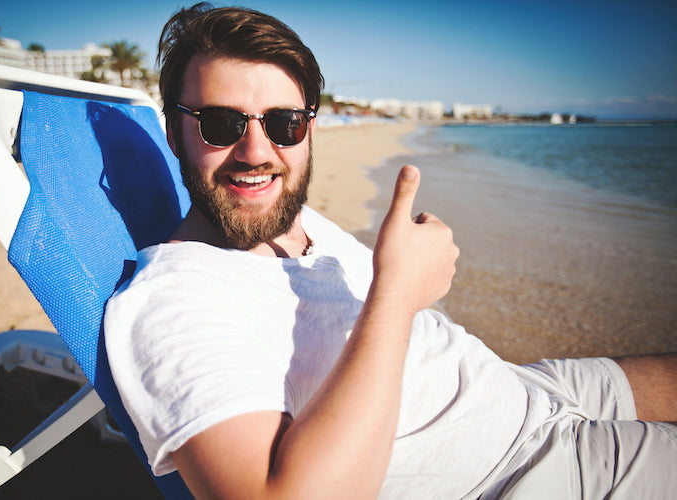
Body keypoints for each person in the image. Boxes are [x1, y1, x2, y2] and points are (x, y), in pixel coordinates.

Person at [105, 4, 677, 498]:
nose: (257, 151)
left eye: (284, 123)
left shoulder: (290, 217)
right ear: (174, 131)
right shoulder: (173, 304)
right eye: (220, 123)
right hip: (524, 469)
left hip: (528, 391)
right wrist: (398, 295)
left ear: (309, 129)